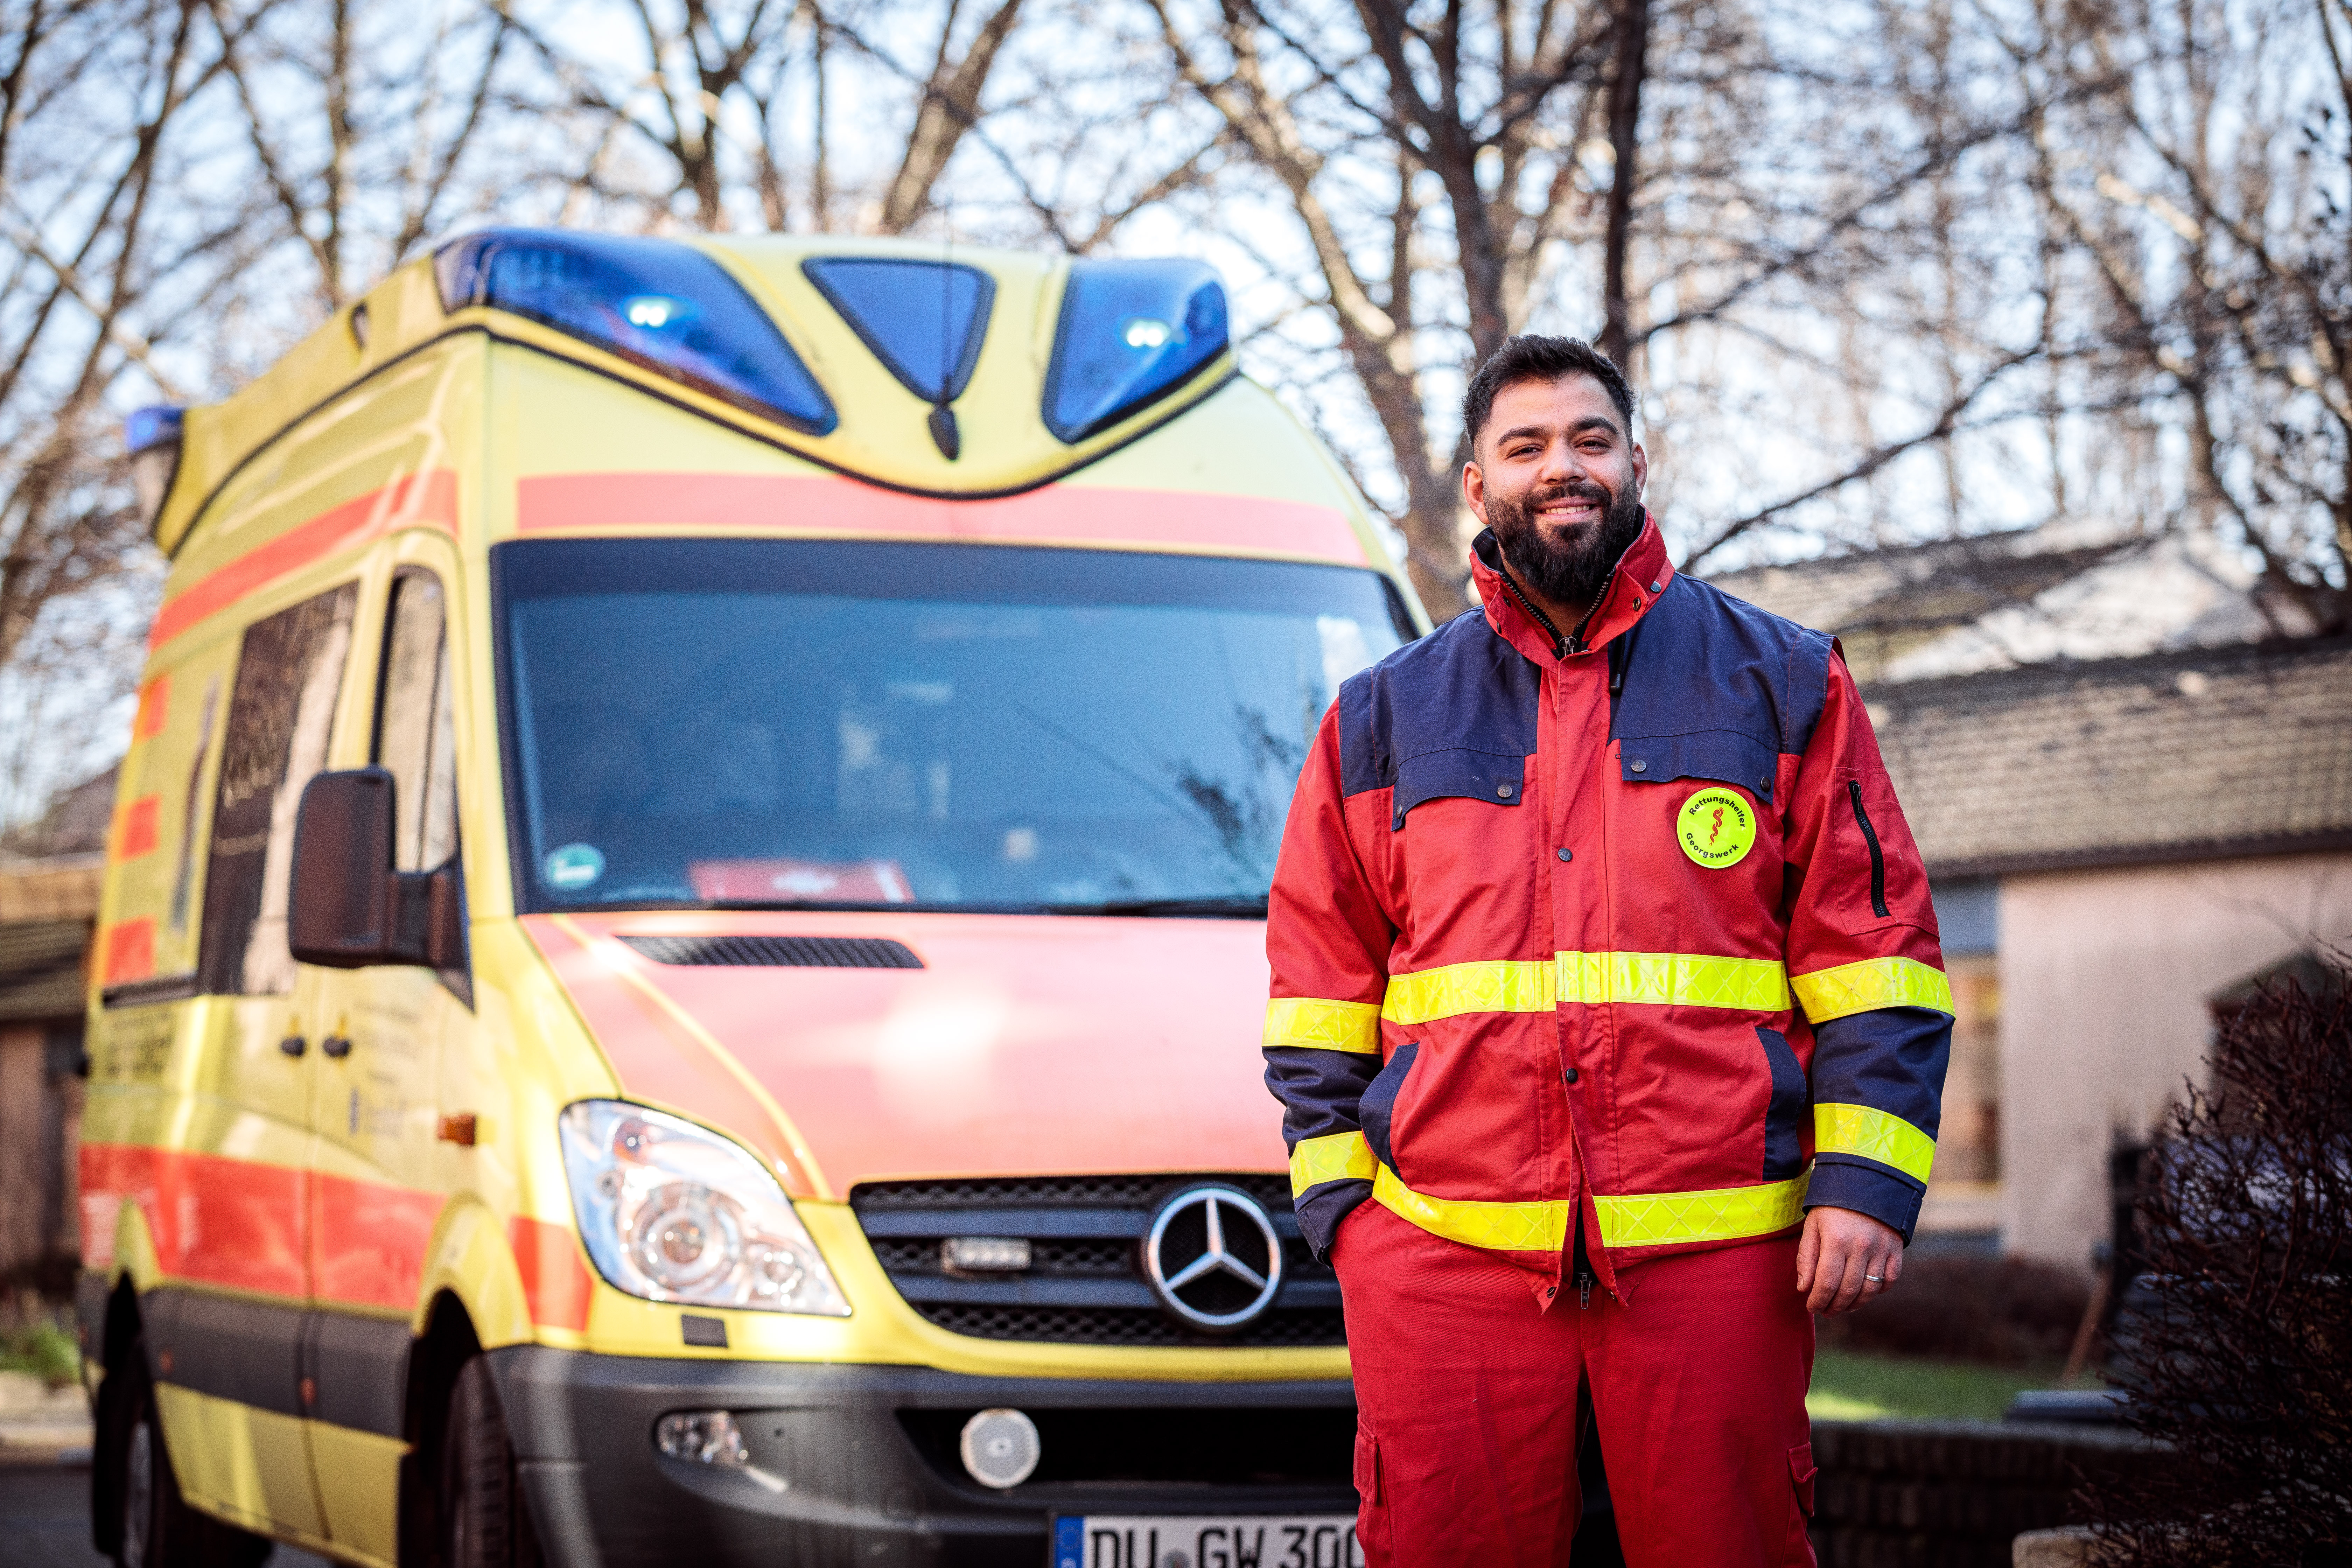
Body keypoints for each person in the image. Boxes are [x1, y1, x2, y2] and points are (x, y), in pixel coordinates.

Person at [1264, 335, 1952, 1567]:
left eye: (1589, 440)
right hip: (1443, 1251)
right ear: (1478, 487)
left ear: (1637, 463)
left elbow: (1879, 953)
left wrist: (1864, 1184)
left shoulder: (1787, 682)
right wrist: (1341, 1208)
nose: (1561, 467)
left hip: (1720, 1253)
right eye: (1524, 447)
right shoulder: (1381, 714)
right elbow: (1320, 973)